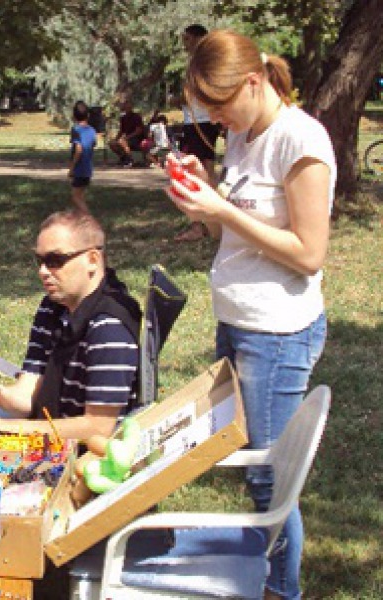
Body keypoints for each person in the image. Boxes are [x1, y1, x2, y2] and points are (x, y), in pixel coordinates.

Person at [165, 30, 335, 600]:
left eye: (219, 107)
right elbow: (228, 233)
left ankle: (282, 592)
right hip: (241, 323)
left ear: (254, 83)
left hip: (277, 333)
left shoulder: (300, 140)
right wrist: (205, 194)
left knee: (270, 481)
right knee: (251, 465)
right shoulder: (243, 134)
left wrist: (221, 211)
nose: (215, 120)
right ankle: (264, 580)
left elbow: (309, 254)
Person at [0, 210, 140, 440]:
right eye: (39, 261)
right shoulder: (53, 307)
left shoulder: (109, 327)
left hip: (75, 450)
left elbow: (97, 429)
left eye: (55, 261)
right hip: (45, 421)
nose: (43, 271)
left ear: (92, 260)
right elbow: (27, 398)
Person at [174, 23, 222, 242]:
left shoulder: (205, 60)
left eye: (187, 39)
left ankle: (201, 223)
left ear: (197, 38)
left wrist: (184, 98)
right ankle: (211, 220)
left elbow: (205, 88)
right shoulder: (198, 61)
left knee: (196, 172)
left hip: (201, 121)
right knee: (203, 170)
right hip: (195, 120)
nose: (184, 43)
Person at [68, 100, 97, 213]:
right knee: (81, 195)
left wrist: (72, 167)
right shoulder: (92, 130)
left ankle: (87, 218)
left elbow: (78, 149)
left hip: (79, 168)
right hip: (88, 167)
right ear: (88, 115)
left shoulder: (76, 130)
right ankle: (80, 218)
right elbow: (93, 144)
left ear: (74, 116)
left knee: (75, 196)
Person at [108, 100, 145, 167]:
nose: (127, 109)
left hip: (137, 139)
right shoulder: (123, 118)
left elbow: (138, 131)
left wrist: (127, 137)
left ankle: (130, 160)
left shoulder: (136, 117)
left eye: (129, 107)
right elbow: (121, 131)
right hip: (127, 139)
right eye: (126, 107)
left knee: (123, 141)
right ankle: (123, 157)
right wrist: (115, 139)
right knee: (112, 143)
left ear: (131, 108)